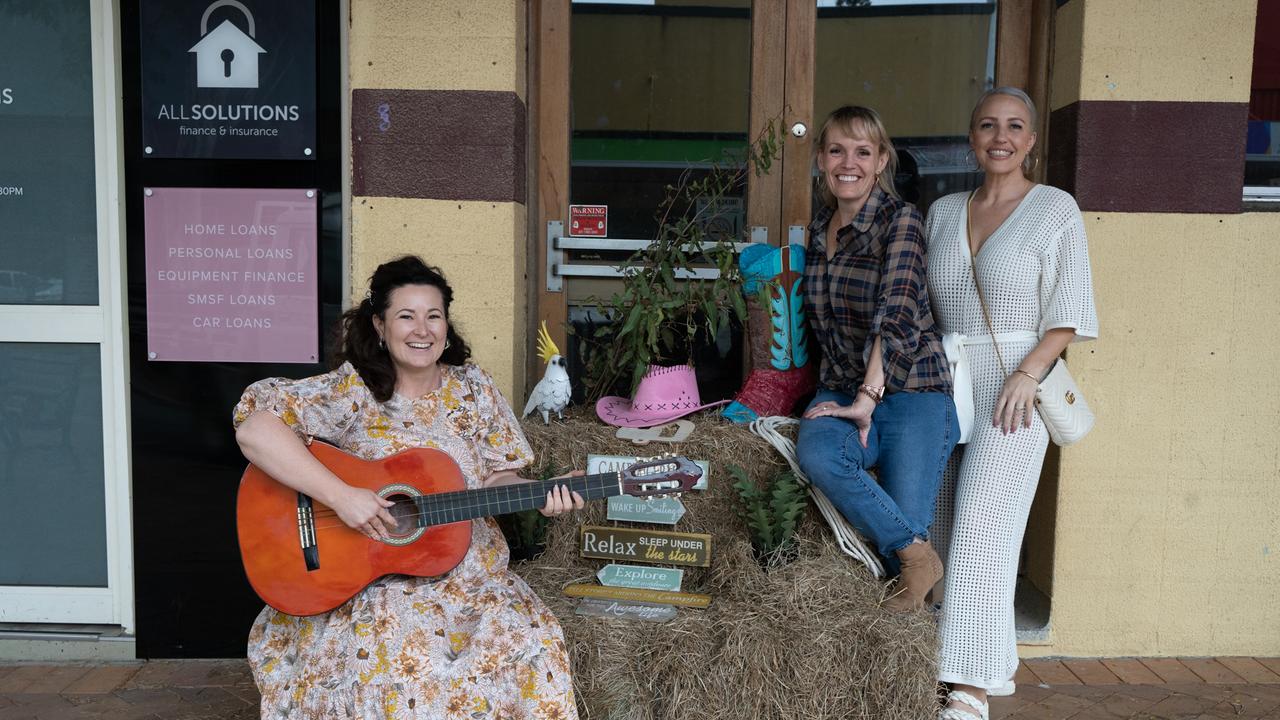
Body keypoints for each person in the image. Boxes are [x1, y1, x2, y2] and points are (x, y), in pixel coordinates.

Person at [233, 255, 582, 719]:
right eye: (406, 315)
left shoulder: (473, 389)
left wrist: (541, 494)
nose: (422, 329)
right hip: (376, 578)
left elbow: (498, 477)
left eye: (433, 316)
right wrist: (342, 496)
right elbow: (254, 430)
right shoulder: (352, 390)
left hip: (470, 576)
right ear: (380, 325)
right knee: (404, 659)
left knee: (534, 642)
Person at [926, 87, 1098, 720]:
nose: (1000, 136)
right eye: (987, 125)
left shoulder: (1054, 208)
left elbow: (1070, 310)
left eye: (1014, 126)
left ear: (1030, 141)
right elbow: (921, 304)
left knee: (982, 532)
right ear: (971, 138)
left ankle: (967, 689)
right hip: (946, 384)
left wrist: (1030, 373)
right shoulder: (944, 211)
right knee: (944, 527)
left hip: (1016, 389)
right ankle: (987, 661)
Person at [796, 105, 960, 613]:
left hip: (911, 392)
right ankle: (919, 557)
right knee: (819, 454)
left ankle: (910, 666)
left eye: (863, 151)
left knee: (902, 530)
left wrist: (868, 398)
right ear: (822, 159)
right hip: (842, 387)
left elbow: (896, 312)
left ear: (881, 159)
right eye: (838, 150)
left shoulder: (901, 220)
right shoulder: (818, 230)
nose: (850, 162)